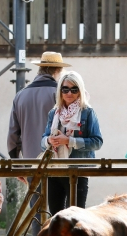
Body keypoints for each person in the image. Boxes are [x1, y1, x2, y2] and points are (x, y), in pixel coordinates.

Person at [7, 51, 70, 236]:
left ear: (40, 69)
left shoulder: (21, 95)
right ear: (58, 70)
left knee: (37, 212)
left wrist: (17, 162)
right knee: (61, 211)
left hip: (32, 164)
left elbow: (12, 135)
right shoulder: (60, 94)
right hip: (59, 161)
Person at [42, 71, 103, 213]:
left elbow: (97, 141)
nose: (69, 93)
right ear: (60, 91)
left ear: (80, 91)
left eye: (74, 89)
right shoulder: (54, 113)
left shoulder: (87, 112)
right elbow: (43, 139)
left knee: (75, 217)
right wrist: (49, 140)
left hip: (78, 170)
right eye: (65, 89)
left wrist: (70, 141)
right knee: (56, 216)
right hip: (55, 170)